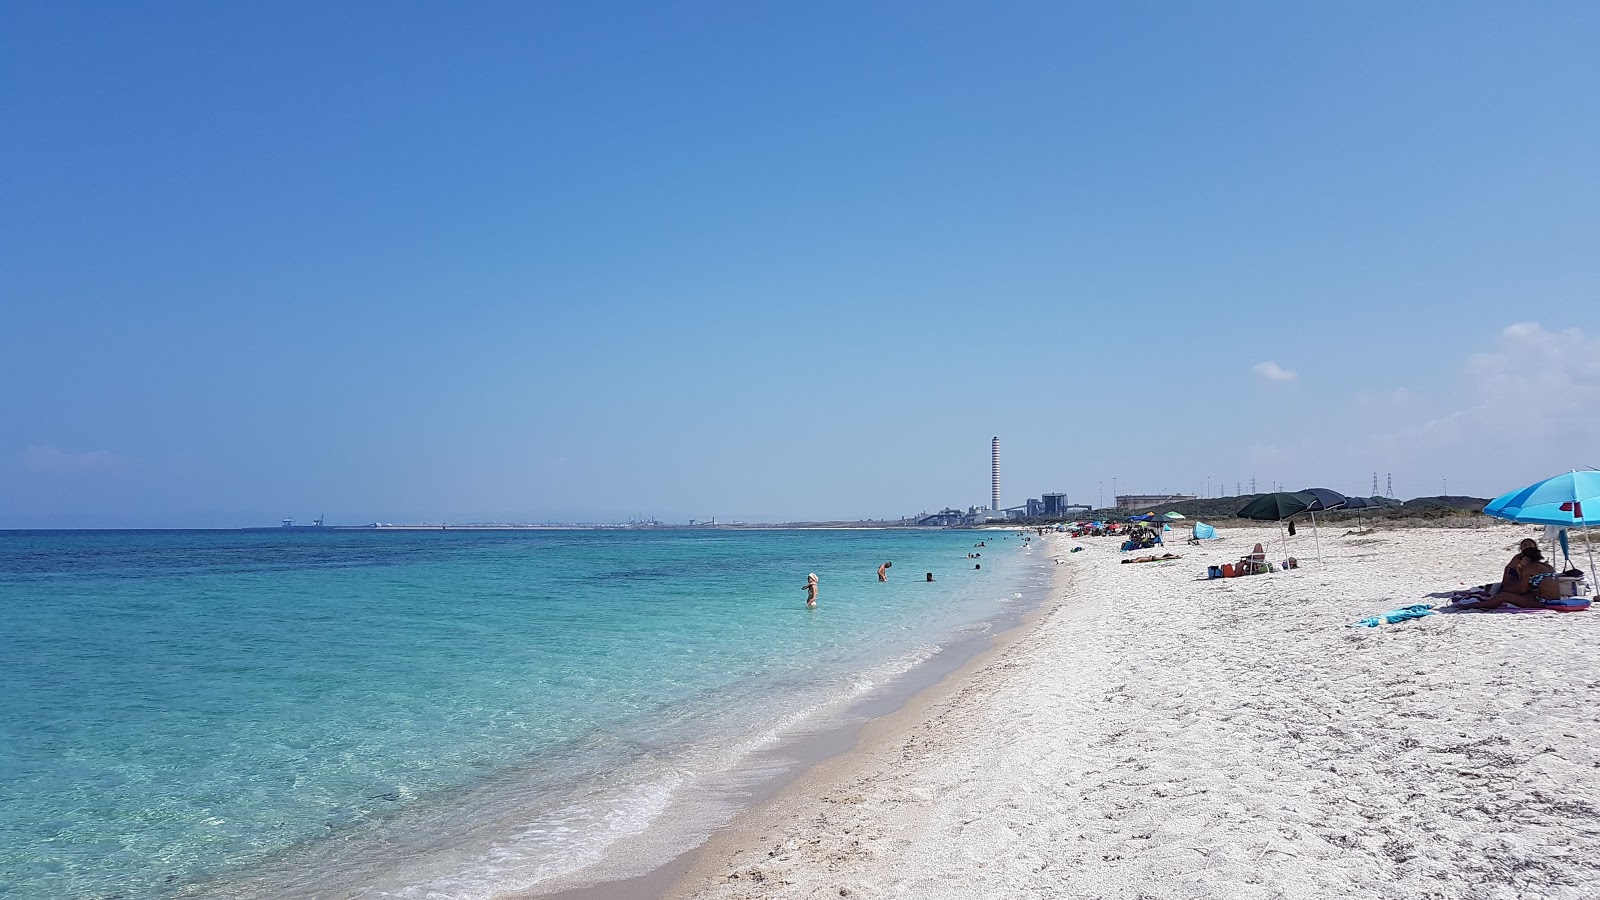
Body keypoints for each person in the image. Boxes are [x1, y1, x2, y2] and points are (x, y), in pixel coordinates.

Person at [1455, 546, 1557, 610]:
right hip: (1553, 599)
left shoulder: (1529, 568)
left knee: (1503, 595)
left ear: (1525, 558)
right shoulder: (1548, 567)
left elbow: (1522, 589)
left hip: (1542, 603)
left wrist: (1520, 570)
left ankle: (1475, 606)